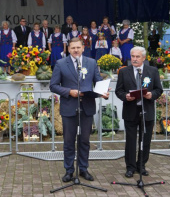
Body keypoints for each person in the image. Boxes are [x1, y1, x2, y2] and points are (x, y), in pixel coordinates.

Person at [50, 37, 110, 183]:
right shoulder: (61, 63)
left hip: (87, 107)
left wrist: (103, 92)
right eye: (73, 48)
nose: (76, 50)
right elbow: (53, 85)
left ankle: (83, 169)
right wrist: (69, 92)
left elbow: (98, 81)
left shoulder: (91, 62)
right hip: (69, 107)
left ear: (83, 48)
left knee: (84, 140)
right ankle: (69, 171)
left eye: (78, 47)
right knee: (69, 141)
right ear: (68, 49)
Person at [115, 46, 163, 178]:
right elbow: (118, 91)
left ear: (144, 58)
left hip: (146, 110)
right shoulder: (124, 72)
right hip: (130, 111)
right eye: (133, 57)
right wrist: (125, 96)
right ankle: (130, 167)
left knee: (145, 140)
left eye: (137, 57)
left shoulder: (152, 71)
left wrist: (151, 95)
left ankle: (141, 165)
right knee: (130, 141)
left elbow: (159, 90)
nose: (134, 59)